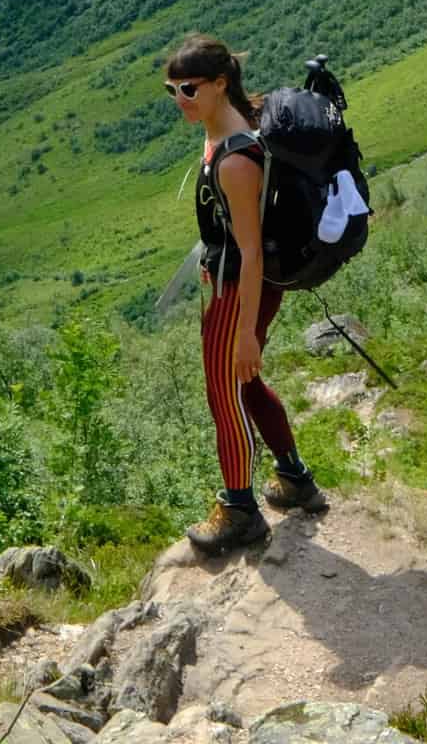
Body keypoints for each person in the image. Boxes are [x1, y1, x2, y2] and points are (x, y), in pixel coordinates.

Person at [165, 34, 329, 555]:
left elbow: (252, 253)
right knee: (247, 386)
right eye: (171, 90)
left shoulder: (236, 160)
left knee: (225, 396)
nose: (179, 100)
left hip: (240, 288)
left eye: (189, 89)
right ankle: (295, 479)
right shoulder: (224, 128)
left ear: (219, 84)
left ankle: (239, 509)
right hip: (234, 282)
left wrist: (242, 333)